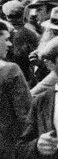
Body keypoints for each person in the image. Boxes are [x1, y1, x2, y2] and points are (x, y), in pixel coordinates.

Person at [0, 22, 31, 159]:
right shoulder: (10, 71)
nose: (10, 44)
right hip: (8, 146)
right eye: (6, 39)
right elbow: (25, 114)